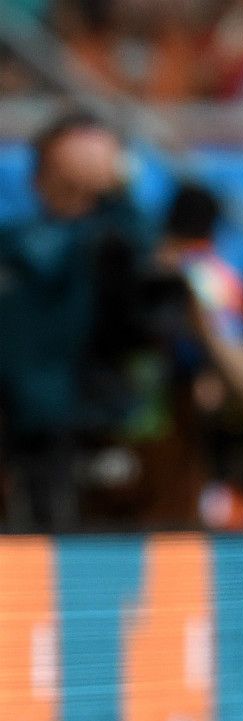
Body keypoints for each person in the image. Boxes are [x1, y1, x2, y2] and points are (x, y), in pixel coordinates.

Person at [0, 111, 147, 529]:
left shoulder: (111, 235)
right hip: (21, 408)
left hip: (82, 406)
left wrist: (119, 185)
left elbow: (141, 253)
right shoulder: (16, 240)